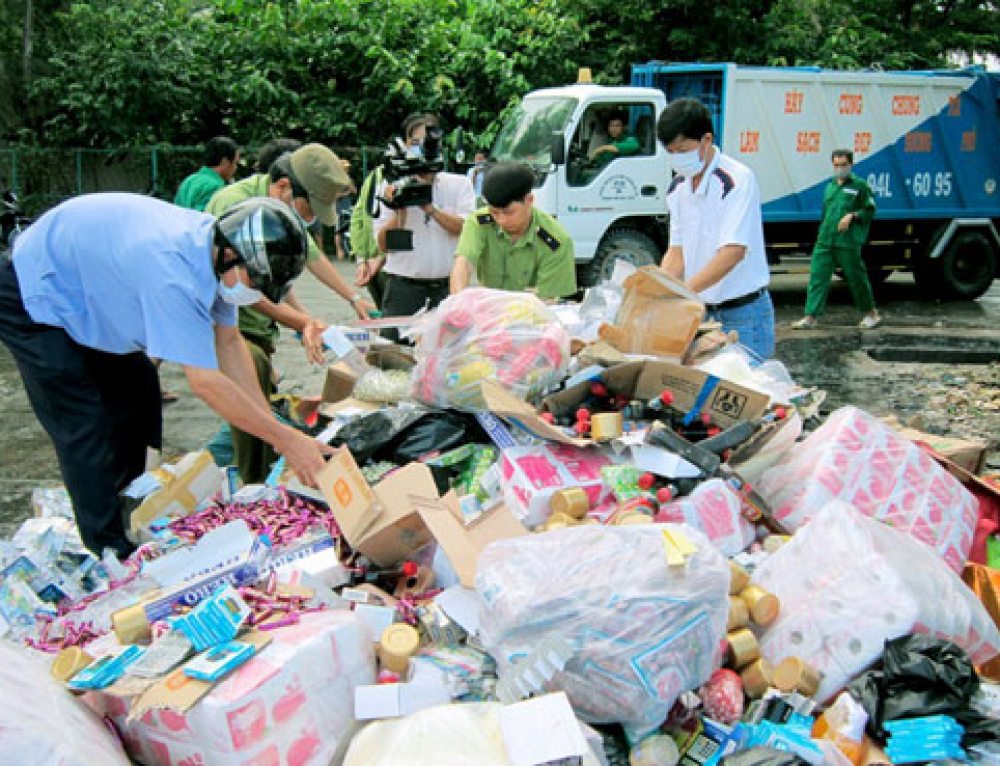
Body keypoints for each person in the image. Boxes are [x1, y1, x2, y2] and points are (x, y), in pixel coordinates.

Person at [0, 194, 332, 558]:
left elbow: (230, 345)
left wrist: (278, 432)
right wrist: (286, 440)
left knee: (139, 390)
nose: (255, 290)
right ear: (231, 255)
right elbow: (206, 383)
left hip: (87, 288)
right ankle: (109, 551)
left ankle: (131, 507)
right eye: (256, 278)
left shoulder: (216, 256)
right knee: (84, 421)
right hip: (32, 287)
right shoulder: (174, 273)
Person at [206, 143, 375, 483]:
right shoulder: (237, 207)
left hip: (249, 326)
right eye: (308, 209)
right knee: (248, 406)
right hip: (231, 322)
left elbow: (300, 266)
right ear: (284, 187)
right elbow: (242, 286)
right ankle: (247, 486)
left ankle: (250, 477)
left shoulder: (282, 212)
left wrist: (352, 298)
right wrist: (302, 321)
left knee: (259, 407)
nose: (310, 219)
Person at [657, 97, 774, 360]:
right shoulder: (678, 188)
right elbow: (677, 253)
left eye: (682, 149)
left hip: (743, 313)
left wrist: (685, 291)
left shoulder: (736, 180)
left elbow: (732, 251)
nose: (677, 157)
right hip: (703, 312)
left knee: (746, 393)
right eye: (670, 151)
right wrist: (660, 290)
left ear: (706, 140)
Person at [375, 114, 475, 337]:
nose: (421, 148)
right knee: (394, 358)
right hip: (404, 289)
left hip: (447, 288)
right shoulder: (391, 186)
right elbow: (383, 244)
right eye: (414, 143)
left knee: (449, 356)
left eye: (427, 141)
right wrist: (398, 209)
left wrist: (430, 208)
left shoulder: (458, 184)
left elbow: (466, 228)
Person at [450, 162, 577, 299]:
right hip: (488, 311)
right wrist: (458, 302)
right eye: (494, 212)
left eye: (508, 213)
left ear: (529, 201)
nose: (501, 220)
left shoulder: (556, 240)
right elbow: (463, 263)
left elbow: (549, 300)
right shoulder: (479, 223)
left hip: (534, 313)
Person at [792, 149, 880, 330]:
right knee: (817, 277)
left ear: (851, 165)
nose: (840, 169)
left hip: (847, 241)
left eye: (843, 165)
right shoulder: (830, 186)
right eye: (836, 165)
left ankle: (871, 313)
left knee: (856, 278)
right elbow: (826, 213)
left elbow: (870, 210)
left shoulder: (860, 186)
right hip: (825, 239)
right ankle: (810, 317)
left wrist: (853, 216)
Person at [174, 136, 241, 212]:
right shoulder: (215, 187)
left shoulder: (189, 180)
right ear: (225, 162)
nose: (236, 168)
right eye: (236, 163)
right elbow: (206, 219)